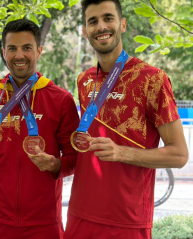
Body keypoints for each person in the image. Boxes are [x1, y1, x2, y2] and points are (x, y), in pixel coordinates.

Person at [64, 1, 189, 238]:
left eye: (108, 18)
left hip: (127, 222)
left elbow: (180, 155)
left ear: (122, 24)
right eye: (92, 21)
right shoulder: (84, 80)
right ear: (85, 31)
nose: (101, 26)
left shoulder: (153, 79)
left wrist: (122, 153)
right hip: (79, 214)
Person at [0, 19, 80, 239]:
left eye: (27, 48)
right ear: (4, 52)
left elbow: (76, 158)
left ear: (39, 51)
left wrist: (57, 164)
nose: (19, 55)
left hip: (44, 224)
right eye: (12, 48)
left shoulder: (61, 99)